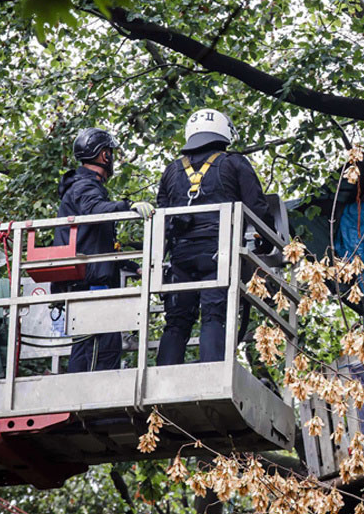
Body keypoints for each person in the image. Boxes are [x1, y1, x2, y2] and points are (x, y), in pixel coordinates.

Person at [155, 108, 273, 366]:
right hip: (218, 254)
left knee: (176, 320)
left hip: (180, 257)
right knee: (213, 315)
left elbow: (160, 218)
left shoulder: (171, 171)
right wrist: (267, 241)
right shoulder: (234, 163)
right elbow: (258, 208)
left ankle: (162, 381)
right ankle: (212, 373)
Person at [56, 127, 154, 373]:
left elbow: (97, 247)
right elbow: (95, 210)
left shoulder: (82, 186)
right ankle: (81, 404)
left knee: (101, 349)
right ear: (104, 155)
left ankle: (86, 403)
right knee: (95, 352)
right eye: (110, 153)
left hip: (90, 284)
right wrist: (128, 206)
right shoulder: (84, 187)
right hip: (90, 288)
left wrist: (133, 267)